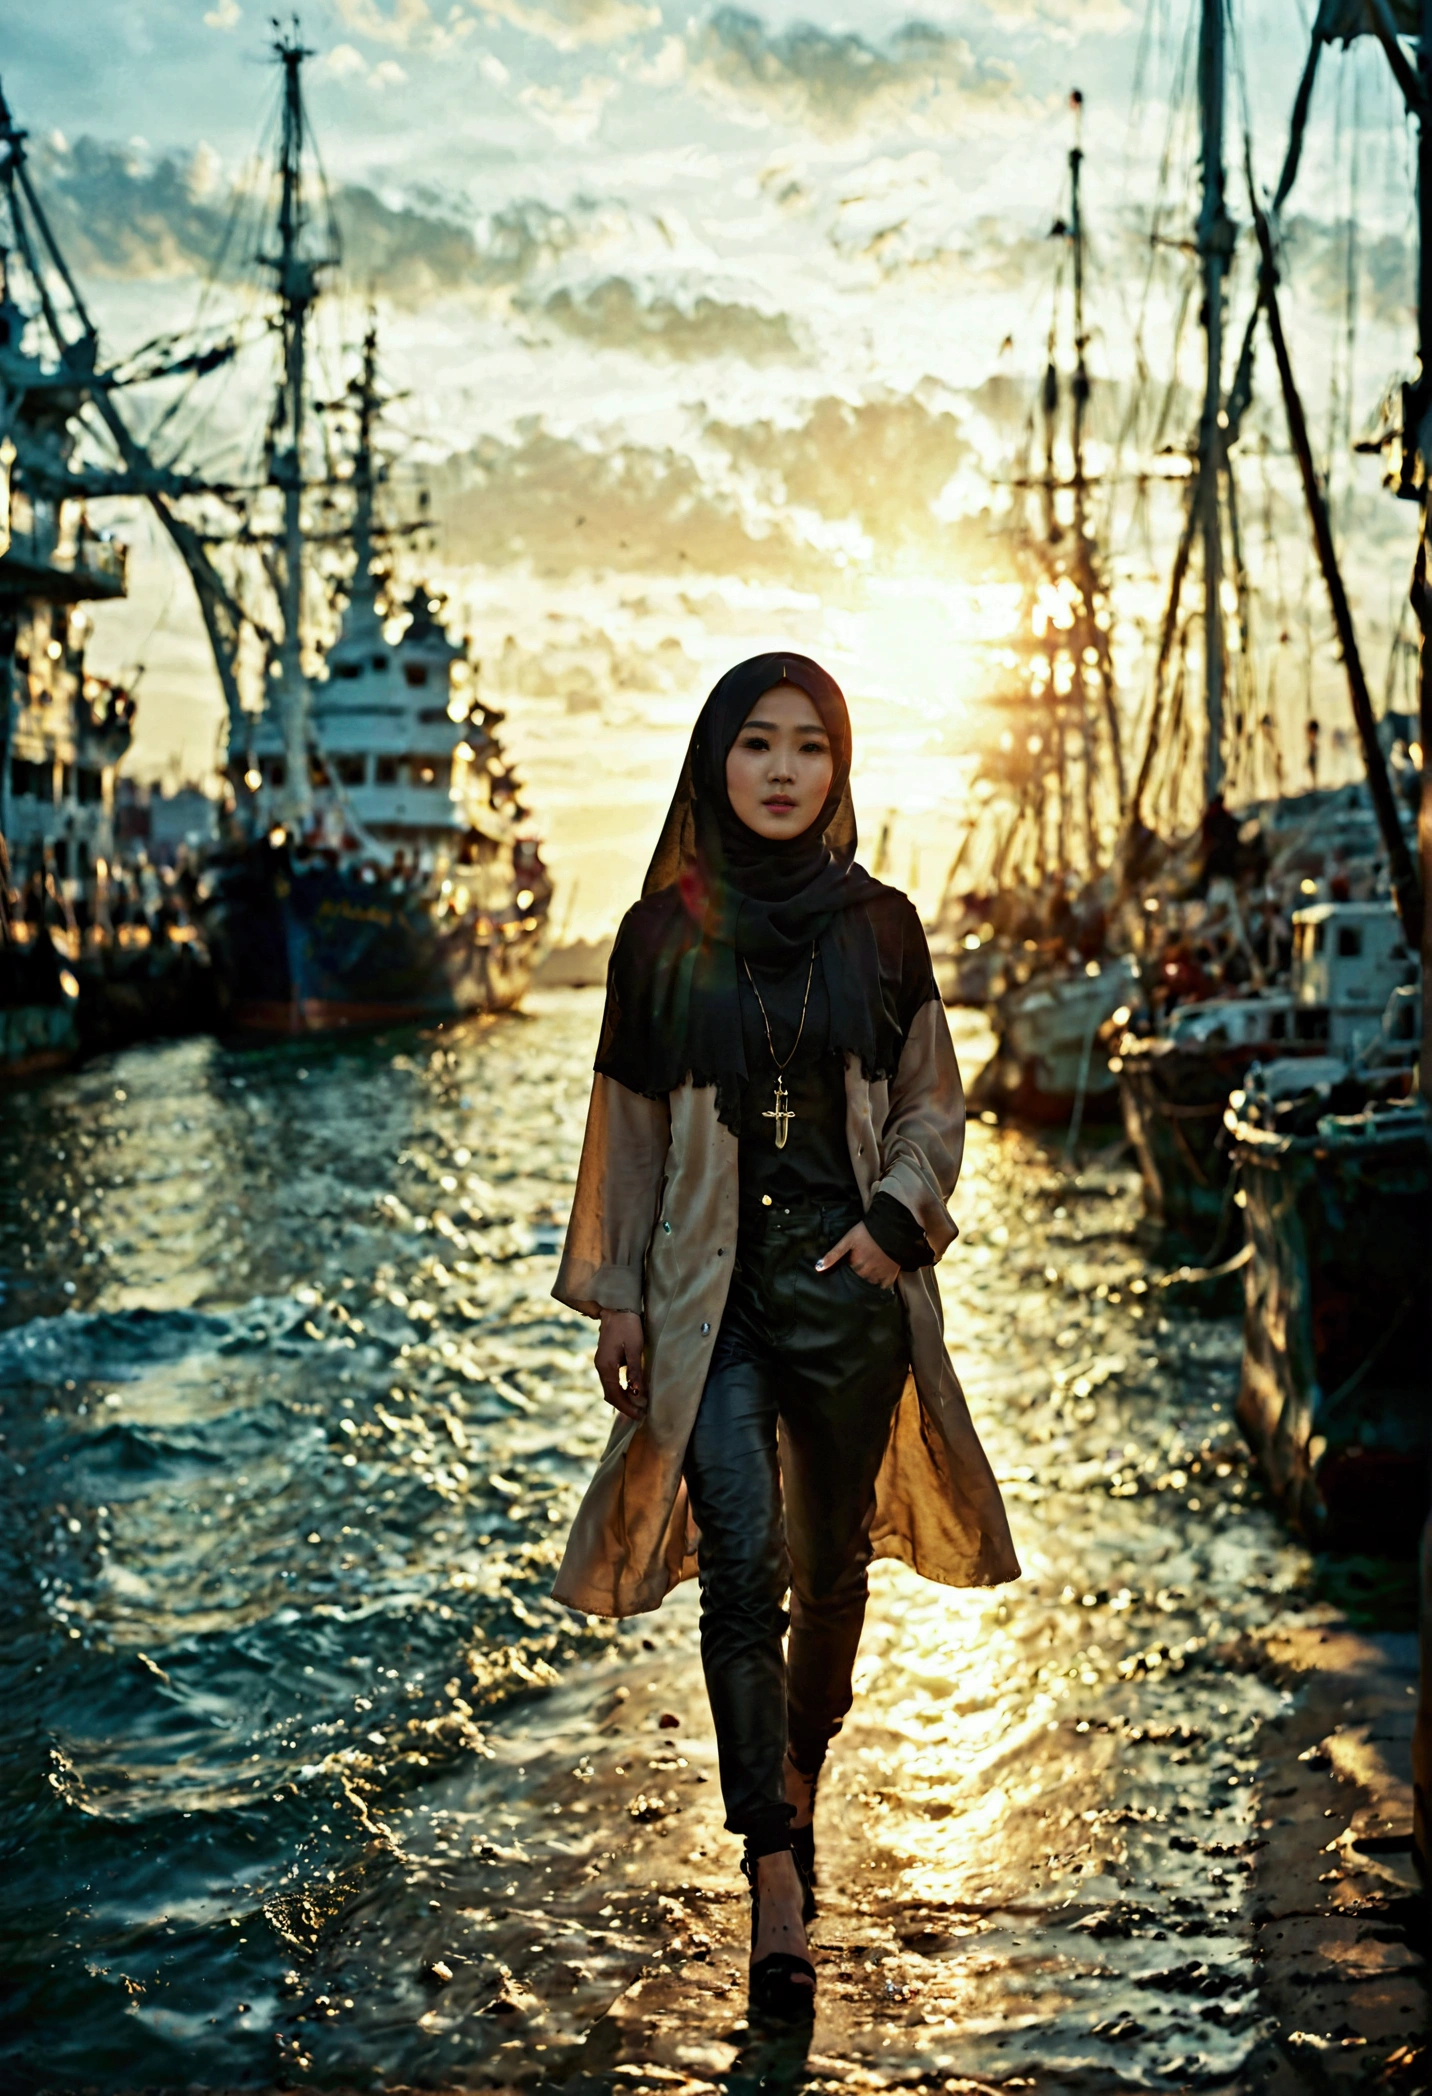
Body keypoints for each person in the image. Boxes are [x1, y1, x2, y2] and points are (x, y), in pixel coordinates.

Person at [550, 654, 1019, 2019]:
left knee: (831, 1572)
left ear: (838, 767)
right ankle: (772, 1866)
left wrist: (893, 1221)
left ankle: (803, 1765)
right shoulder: (657, 939)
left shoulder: (882, 927)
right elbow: (625, 1135)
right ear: (713, 763)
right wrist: (620, 1296)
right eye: (755, 744)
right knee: (741, 1565)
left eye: (809, 747)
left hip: (851, 1294)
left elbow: (937, 1104)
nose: (781, 771)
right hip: (713, 1304)